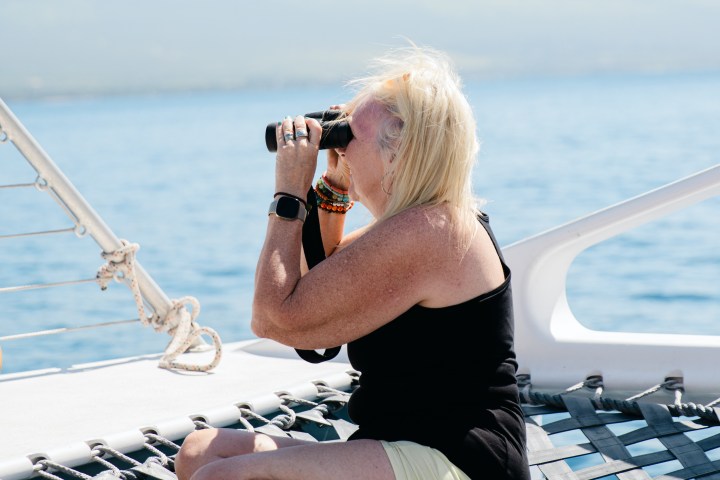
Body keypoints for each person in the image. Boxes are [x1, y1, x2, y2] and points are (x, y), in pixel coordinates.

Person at [175, 45, 530, 480]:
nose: (340, 150)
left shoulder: (432, 232)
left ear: (398, 154)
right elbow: (319, 284)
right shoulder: (418, 228)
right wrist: (334, 186)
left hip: (460, 459)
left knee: (223, 477)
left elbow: (274, 317)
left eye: (347, 139)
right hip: (397, 443)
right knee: (200, 454)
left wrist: (290, 192)